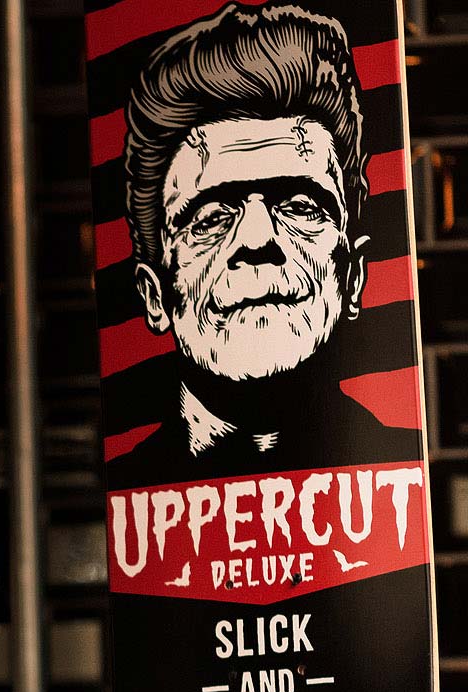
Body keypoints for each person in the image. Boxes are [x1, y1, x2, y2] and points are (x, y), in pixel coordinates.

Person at [115, 2, 420, 482]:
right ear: (156, 295)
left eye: (300, 207)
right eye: (212, 217)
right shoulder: (127, 499)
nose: (257, 240)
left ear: (353, 274)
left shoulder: (406, 487)